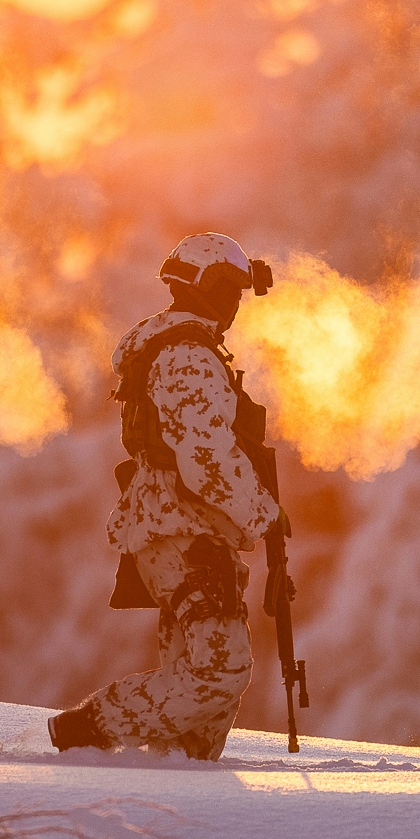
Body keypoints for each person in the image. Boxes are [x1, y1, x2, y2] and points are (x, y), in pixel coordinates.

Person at [48, 232, 280, 760]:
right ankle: (86, 731)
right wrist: (267, 512)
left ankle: (182, 780)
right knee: (221, 669)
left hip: (185, 529)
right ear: (209, 287)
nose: (237, 305)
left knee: (197, 681)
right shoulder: (188, 357)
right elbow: (206, 460)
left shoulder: (177, 351)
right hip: (182, 529)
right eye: (232, 290)